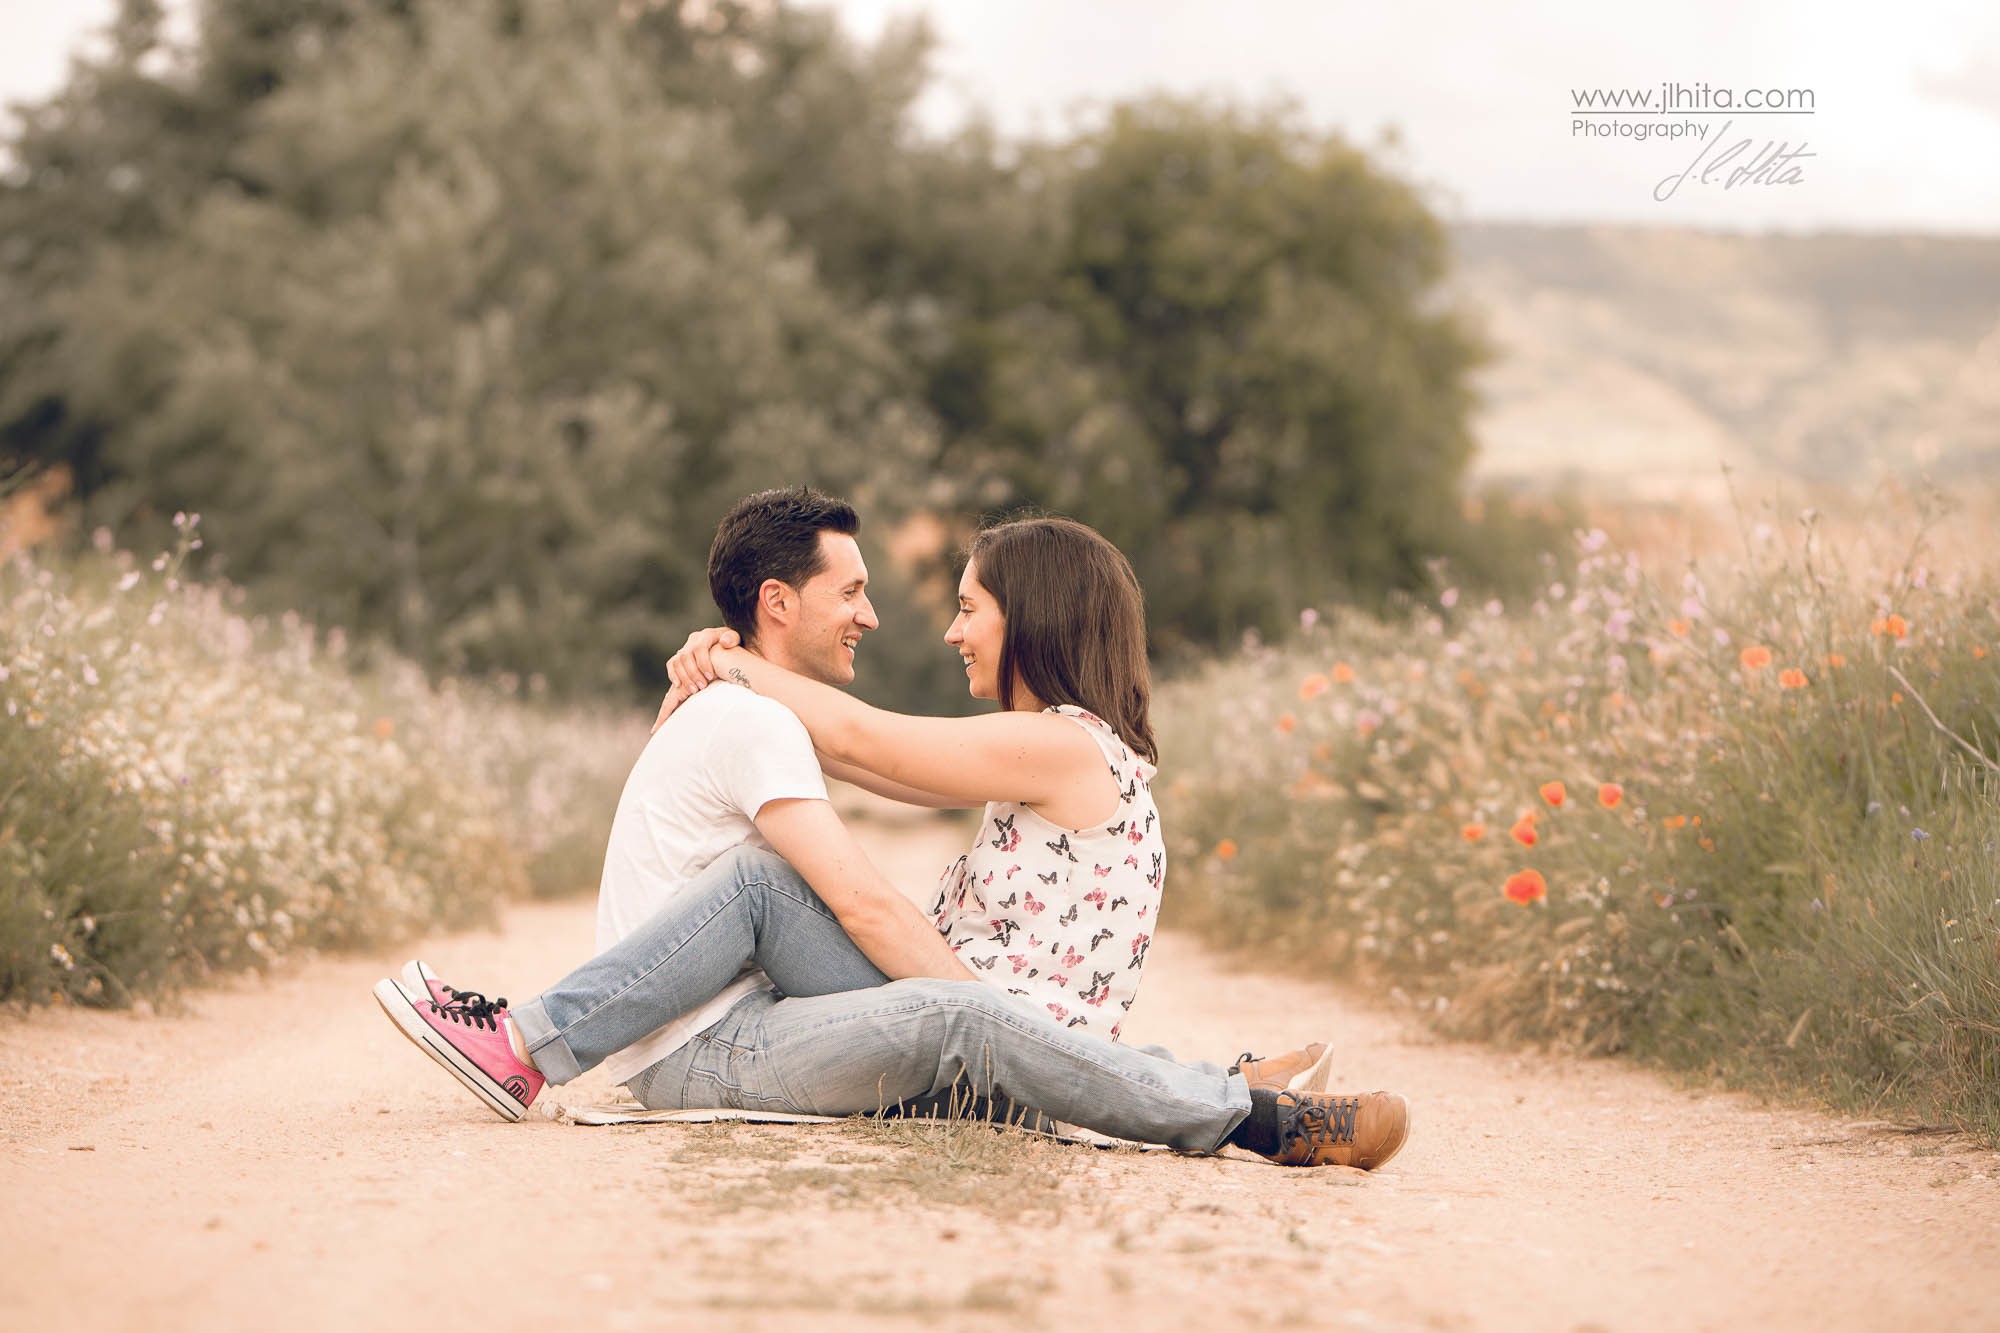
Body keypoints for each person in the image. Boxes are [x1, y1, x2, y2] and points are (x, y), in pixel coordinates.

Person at [374, 488, 1409, 1168]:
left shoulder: (1060, 745)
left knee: (917, 986)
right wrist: (735, 663)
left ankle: (1250, 1119)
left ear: (1031, 618)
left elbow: (869, 744)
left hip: (995, 1032)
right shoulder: (1032, 749)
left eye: (970, 608)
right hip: (965, 1021)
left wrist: (738, 661)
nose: (947, 627)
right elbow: (843, 756)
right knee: (766, 881)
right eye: (861, 593)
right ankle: (521, 1041)